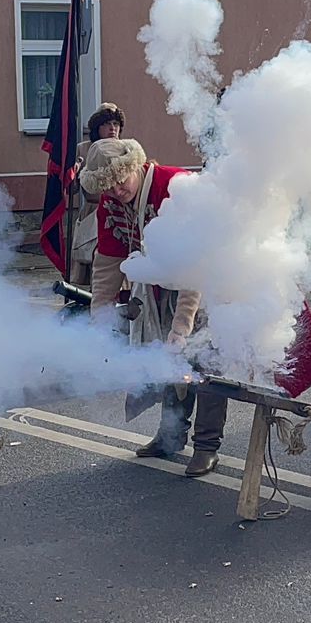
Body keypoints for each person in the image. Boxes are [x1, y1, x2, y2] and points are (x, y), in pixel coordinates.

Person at [82, 137, 226, 475]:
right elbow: (107, 263)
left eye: (120, 181)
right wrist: (97, 326)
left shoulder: (174, 187)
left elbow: (197, 264)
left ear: (135, 166)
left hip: (210, 285)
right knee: (167, 359)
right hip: (161, 289)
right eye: (108, 186)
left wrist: (182, 326)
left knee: (205, 365)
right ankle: (171, 435)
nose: (116, 190)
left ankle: (207, 445)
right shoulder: (111, 201)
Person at [69, 103, 126, 287]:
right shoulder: (84, 149)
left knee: (119, 257)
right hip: (93, 209)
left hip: (120, 209)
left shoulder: (126, 148)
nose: (112, 128)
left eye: (116, 124)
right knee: (94, 257)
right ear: (97, 127)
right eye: (107, 123)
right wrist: (72, 177)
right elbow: (73, 188)